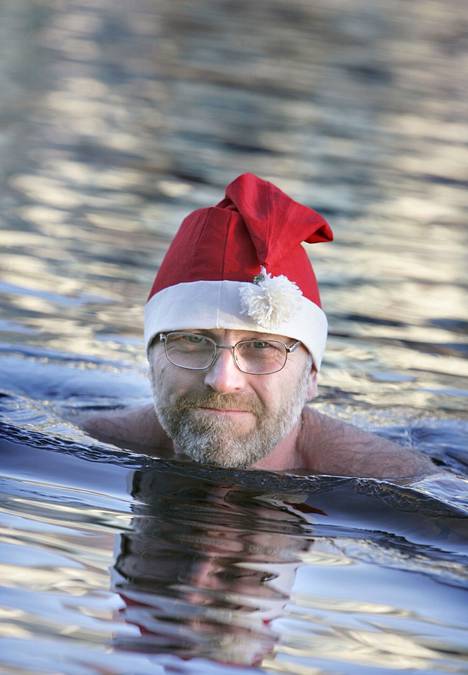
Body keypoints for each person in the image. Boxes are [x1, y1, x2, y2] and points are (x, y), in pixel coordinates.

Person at [79, 173, 438, 479]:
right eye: (191, 340)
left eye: (262, 346)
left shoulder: (398, 483)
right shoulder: (89, 441)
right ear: (151, 359)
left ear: (311, 375)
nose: (221, 380)